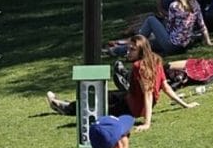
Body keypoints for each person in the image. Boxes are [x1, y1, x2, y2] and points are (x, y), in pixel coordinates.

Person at [46, 35, 197, 131]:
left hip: (131, 107)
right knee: (102, 94)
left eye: (132, 50)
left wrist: (147, 123)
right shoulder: (156, 60)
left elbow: (148, 95)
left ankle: (66, 108)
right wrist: (185, 104)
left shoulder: (140, 67)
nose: (128, 52)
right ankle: (68, 105)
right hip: (130, 97)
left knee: (97, 109)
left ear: (141, 51)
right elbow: (165, 87)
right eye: (128, 48)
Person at [138, 0, 213, 55]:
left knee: (151, 19)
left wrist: (161, 27)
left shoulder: (174, 5)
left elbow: (170, 28)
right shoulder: (195, 4)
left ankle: (134, 43)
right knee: (150, 43)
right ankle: (130, 48)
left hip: (172, 45)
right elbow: (202, 25)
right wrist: (208, 42)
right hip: (184, 46)